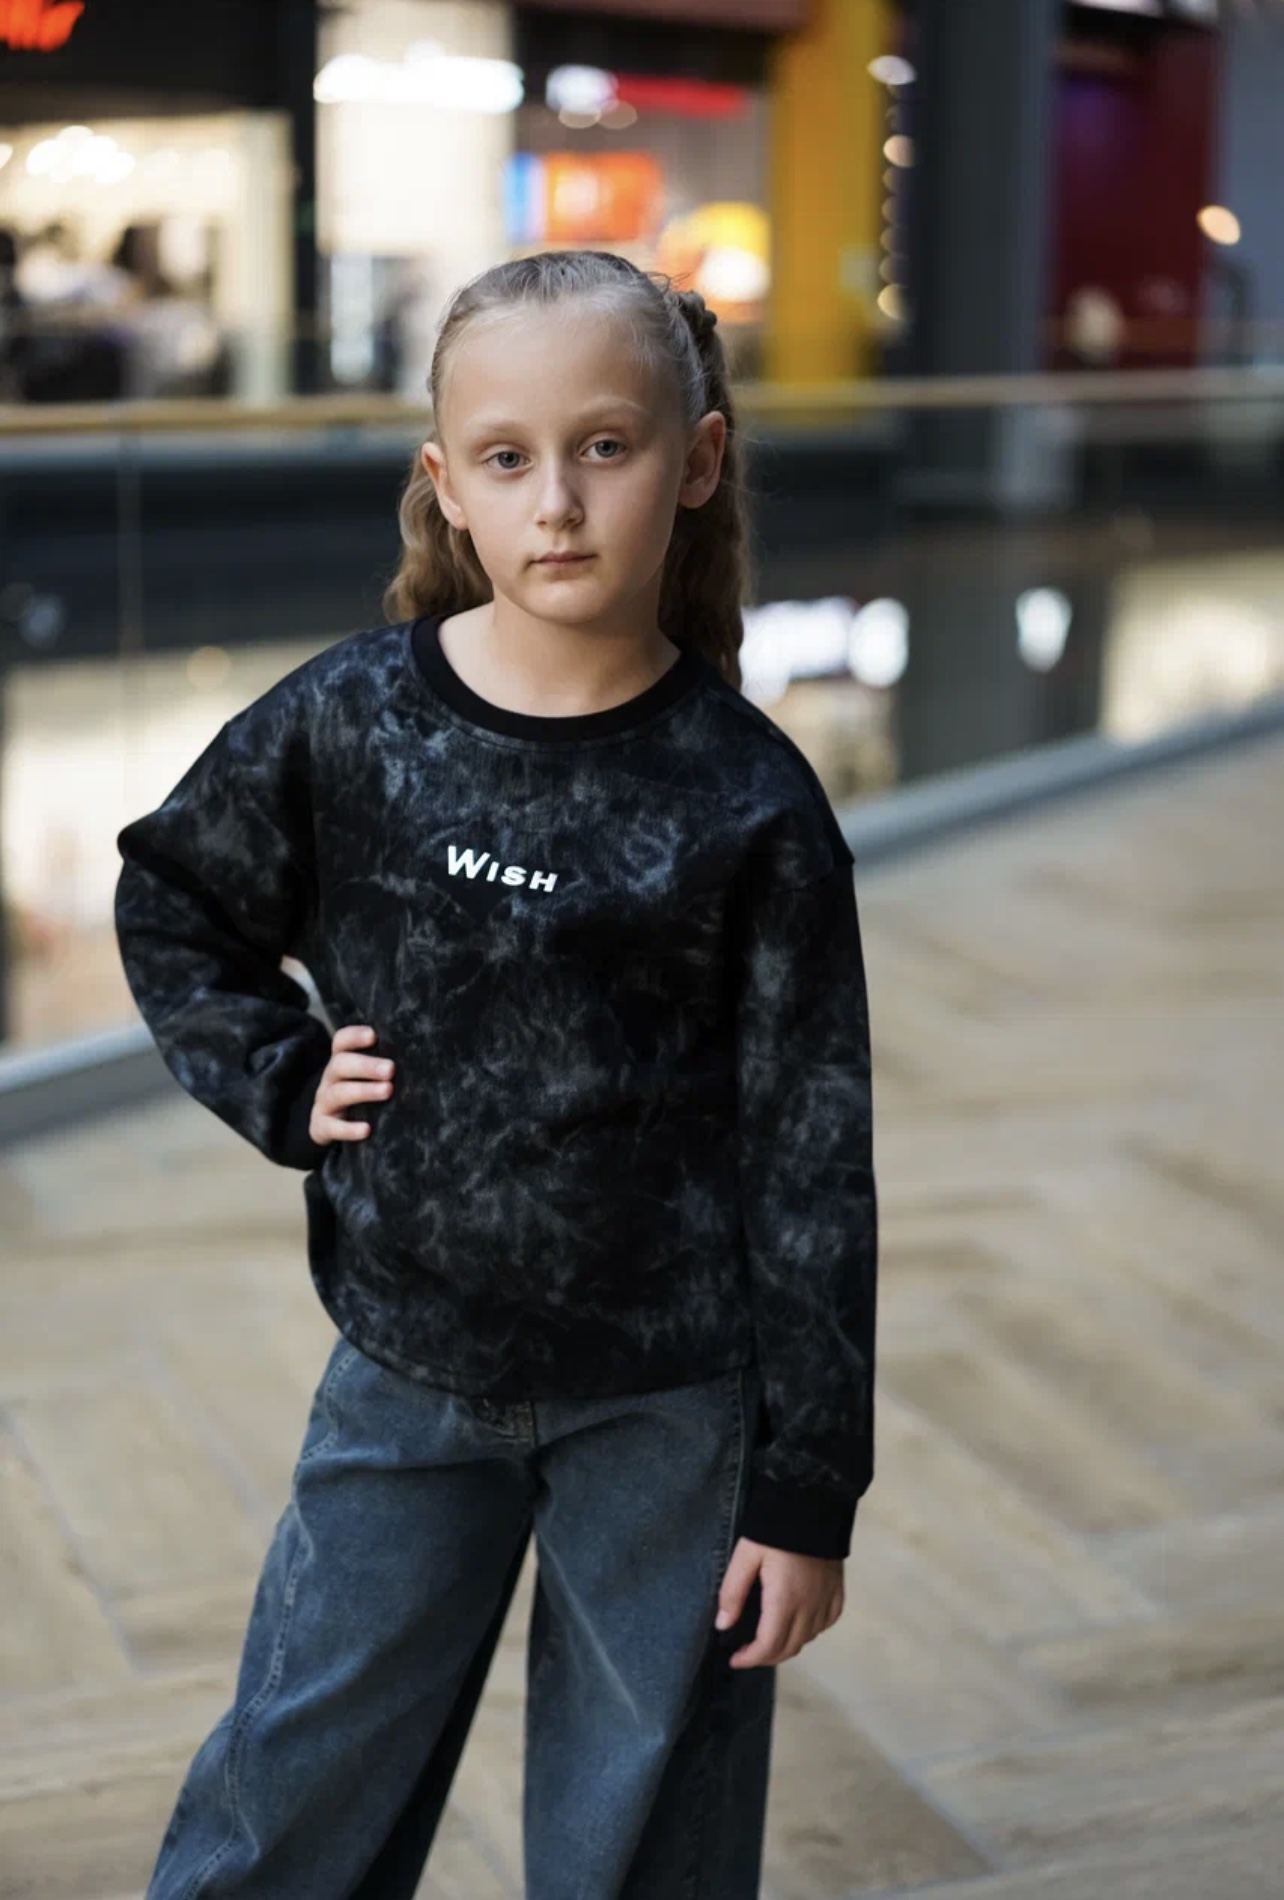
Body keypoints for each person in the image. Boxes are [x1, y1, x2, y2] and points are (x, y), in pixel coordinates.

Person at [114, 247, 878, 1900]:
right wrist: (276, 1073)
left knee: (642, 1831)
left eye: (606, 447)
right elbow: (175, 898)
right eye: (509, 458)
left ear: (698, 459)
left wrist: (809, 1488)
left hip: (675, 1407)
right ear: (446, 485)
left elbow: (812, 1159)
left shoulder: (751, 802)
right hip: (408, 1369)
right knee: (288, 1791)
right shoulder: (352, 722)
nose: (560, 504)